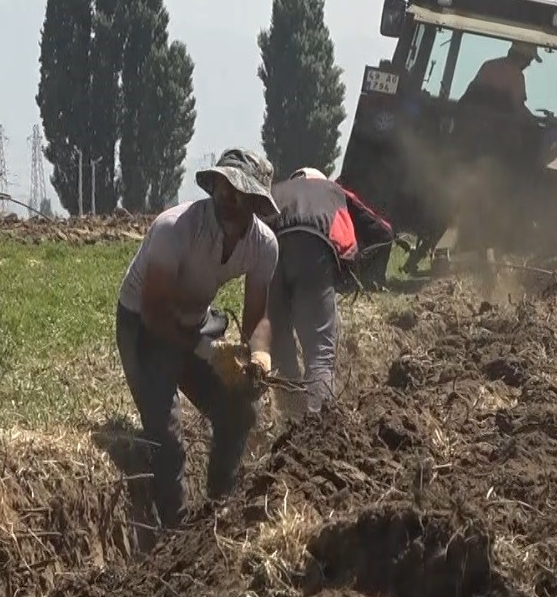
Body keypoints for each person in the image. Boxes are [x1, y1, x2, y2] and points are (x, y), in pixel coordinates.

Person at [114, 147, 279, 529]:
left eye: (240, 194)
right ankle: (176, 533)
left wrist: (259, 356)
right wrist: (206, 350)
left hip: (191, 323)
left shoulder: (263, 245)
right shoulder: (175, 229)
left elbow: (258, 319)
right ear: (214, 187)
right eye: (223, 189)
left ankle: (218, 512)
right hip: (143, 325)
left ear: (256, 202)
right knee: (166, 438)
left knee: (239, 411)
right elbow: (154, 313)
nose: (230, 200)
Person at [265, 166, 382, 419]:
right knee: (319, 351)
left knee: (280, 344)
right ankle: (318, 430)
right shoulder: (333, 190)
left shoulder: (274, 192)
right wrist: (358, 270)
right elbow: (381, 230)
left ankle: (290, 418)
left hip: (271, 251)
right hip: (313, 252)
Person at [459, 40, 539, 115]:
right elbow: (518, 107)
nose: (529, 64)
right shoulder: (516, 75)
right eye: (530, 59)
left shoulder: (489, 65)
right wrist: (534, 121)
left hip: (469, 117)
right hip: (493, 124)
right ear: (522, 57)